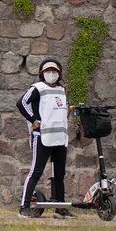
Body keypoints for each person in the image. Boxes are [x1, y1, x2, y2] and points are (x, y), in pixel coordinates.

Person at [16, 57, 74, 219]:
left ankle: (60, 208)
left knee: (59, 174)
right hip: (42, 137)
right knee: (36, 171)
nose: (51, 74)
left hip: (60, 138)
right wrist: (33, 119)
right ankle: (24, 207)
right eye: (48, 71)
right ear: (42, 73)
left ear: (59, 73)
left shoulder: (62, 90)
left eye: (54, 71)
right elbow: (22, 103)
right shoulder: (37, 88)